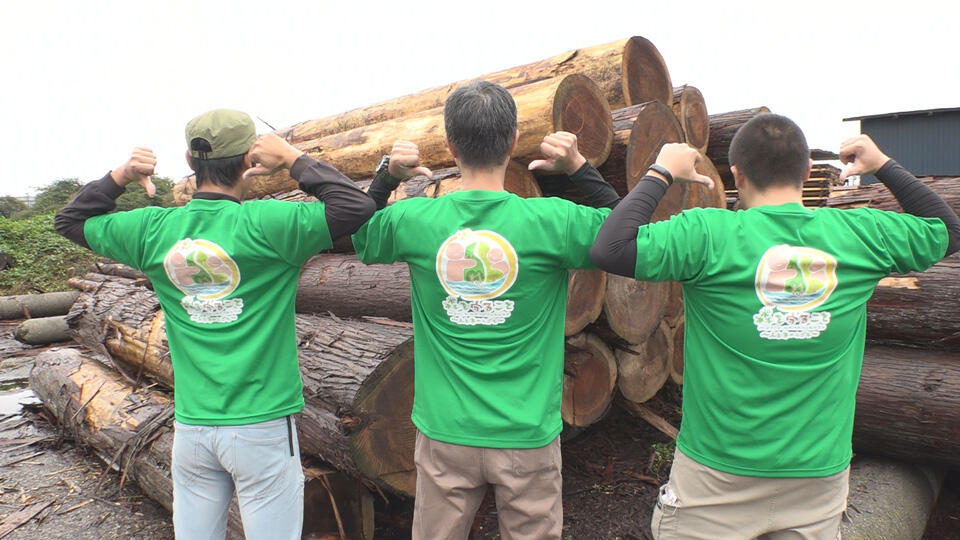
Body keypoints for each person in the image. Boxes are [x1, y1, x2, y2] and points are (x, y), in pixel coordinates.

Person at [589, 114, 960, 539]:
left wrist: (663, 171)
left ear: (736, 175)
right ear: (806, 172)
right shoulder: (862, 233)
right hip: (816, 479)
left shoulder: (708, 233)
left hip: (715, 477)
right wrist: (882, 164)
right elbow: (948, 230)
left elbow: (610, 248)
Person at [54, 109, 375, 539]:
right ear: (250, 161)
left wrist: (123, 174)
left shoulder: (152, 229)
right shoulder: (268, 224)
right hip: (262, 426)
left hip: (193, 427)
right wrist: (293, 159)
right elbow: (355, 205)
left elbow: (69, 221)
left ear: (189, 160)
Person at [352, 80, 629, 540]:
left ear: (449, 145)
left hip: (444, 433)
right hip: (527, 436)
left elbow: (359, 232)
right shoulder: (553, 220)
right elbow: (628, 235)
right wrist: (580, 169)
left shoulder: (414, 218)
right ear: (514, 140)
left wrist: (387, 176)